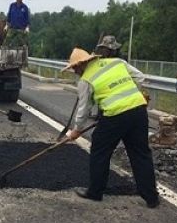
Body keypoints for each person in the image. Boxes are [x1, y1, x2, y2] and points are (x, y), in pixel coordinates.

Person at [63, 36, 160, 208]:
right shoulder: (116, 62)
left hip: (115, 116)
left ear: (80, 65)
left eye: (74, 69)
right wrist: (131, 92)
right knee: (141, 154)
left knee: (100, 151)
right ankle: (151, 197)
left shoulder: (86, 80)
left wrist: (77, 130)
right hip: (138, 110)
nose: (75, 72)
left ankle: (95, 192)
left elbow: (83, 110)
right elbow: (140, 77)